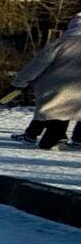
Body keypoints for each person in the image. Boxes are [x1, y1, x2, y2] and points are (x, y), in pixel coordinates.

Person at [11, 11, 81, 150]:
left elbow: (39, 63)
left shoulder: (60, 44)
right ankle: (78, 139)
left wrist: (20, 81)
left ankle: (52, 140)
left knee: (57, 112)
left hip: (57, 85)